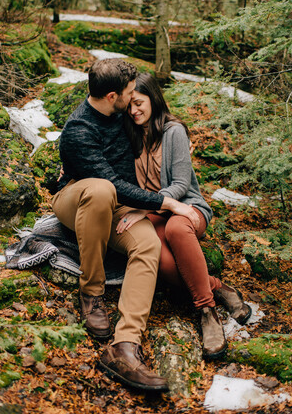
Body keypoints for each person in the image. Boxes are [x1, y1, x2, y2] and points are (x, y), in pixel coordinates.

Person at [52, 59, 202, 391]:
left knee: (148, 245)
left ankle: (124, 346)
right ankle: (92, 292)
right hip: (76, 198)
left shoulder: (120, 113)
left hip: (117, 205)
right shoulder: (79, 130)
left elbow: (154, 118)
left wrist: (178, 136)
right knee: (102, 189)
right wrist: (169, 202)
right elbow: (113, 184)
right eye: (129, 93)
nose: (134, 98)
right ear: (111, 96)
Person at [117, 72, 252, 360]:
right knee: (160, 260)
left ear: (153, 99)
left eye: (139, 103)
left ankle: (207, 312)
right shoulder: (129, 133)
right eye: (129, 105)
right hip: (153, 213)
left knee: (177, 230)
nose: (134, 110)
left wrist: (144, 207)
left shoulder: (173, 131)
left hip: (186, 207)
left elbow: (180, 185)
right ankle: (217, 287)